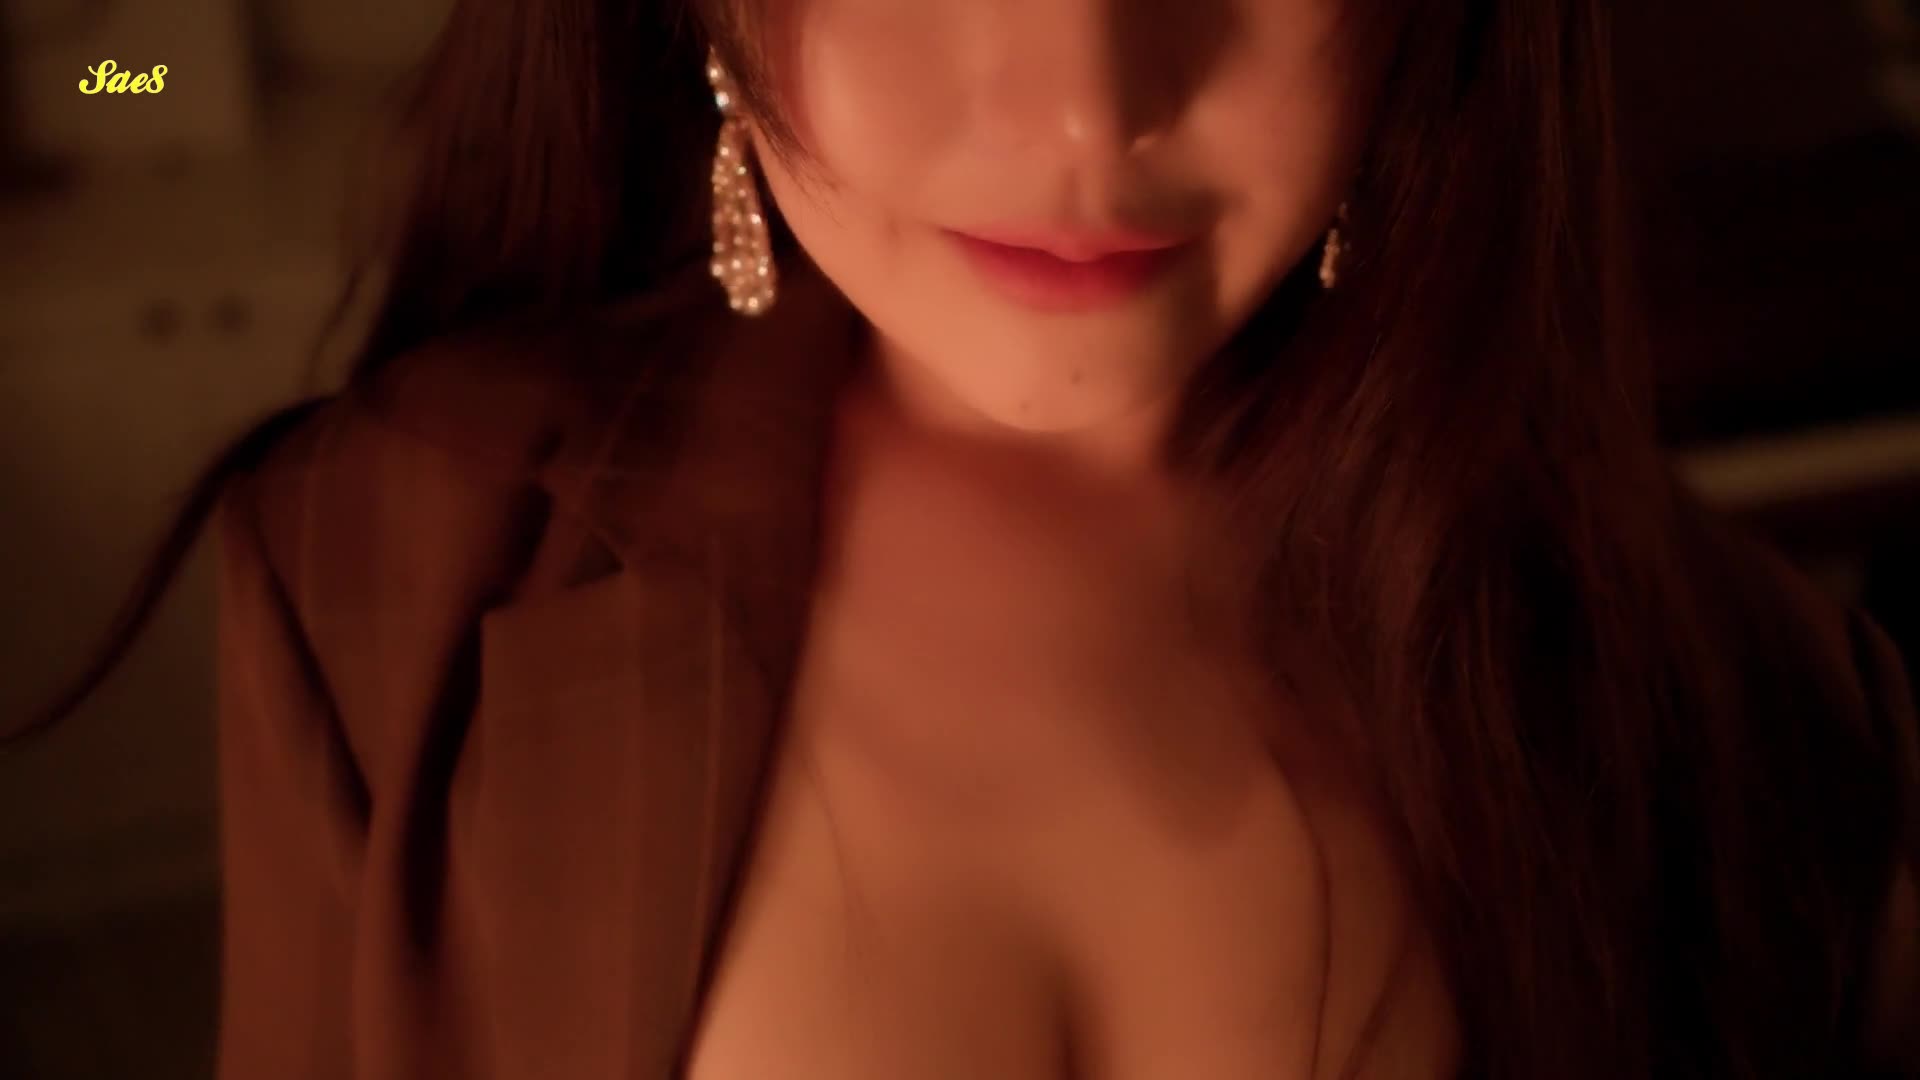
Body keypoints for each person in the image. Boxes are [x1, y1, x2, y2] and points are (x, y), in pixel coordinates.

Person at [27, 0, 1920, 1076]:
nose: (1090, 106)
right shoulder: (383, 570)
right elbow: (132, 69)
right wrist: (117, 73)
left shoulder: (1777, 734)